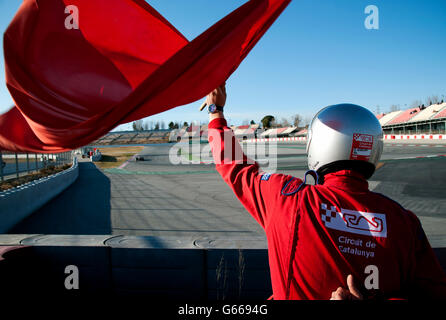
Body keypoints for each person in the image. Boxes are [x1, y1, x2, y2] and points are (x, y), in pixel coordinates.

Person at [206, 83, 446, 300]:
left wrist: (216, 112)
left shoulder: (287, 198)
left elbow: (235, 167)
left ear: (318, 145)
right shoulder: (405, 222)